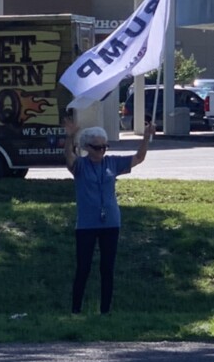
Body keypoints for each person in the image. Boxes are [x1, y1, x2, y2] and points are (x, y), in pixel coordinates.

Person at [63, 116, 156, 315]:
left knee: (107, 268)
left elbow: (138, 158)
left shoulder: (112, 163)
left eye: (105, 147)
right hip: (87, 224)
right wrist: (70, 137)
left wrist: (146, 138)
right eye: (97, 148)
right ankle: (76, 310)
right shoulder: (81, 166)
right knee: (83, 268)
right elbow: (69, 159)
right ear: (87, 147)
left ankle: (105, 310)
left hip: (111, 222)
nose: (102, 151)